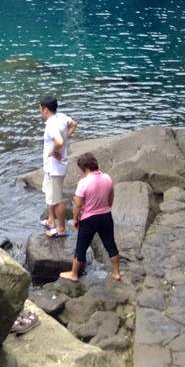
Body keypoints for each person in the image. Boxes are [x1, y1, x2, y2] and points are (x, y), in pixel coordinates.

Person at [58, 152, 121, 282]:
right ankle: (116, 272)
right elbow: (111, 196)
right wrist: (107, 208)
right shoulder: (107, 178)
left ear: (85, 168)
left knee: (81, 246)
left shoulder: (84, 182)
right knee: (110, 244)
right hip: (105, 215)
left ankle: (74, 273)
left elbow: (78, 205)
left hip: (89, 219)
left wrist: (76, 219)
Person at [39, 95, 78, 238]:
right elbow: (74, 124)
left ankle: (61, 229)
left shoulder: (51, 125)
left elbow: (59, 141)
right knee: (49, 194)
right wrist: (66, 139)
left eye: (40, 108)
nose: (39, 110)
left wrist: (55, 151)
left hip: (54, 168)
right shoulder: (61, 117)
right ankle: (51, 220)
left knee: (56, 199)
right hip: (53, 167)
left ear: (45, 109)